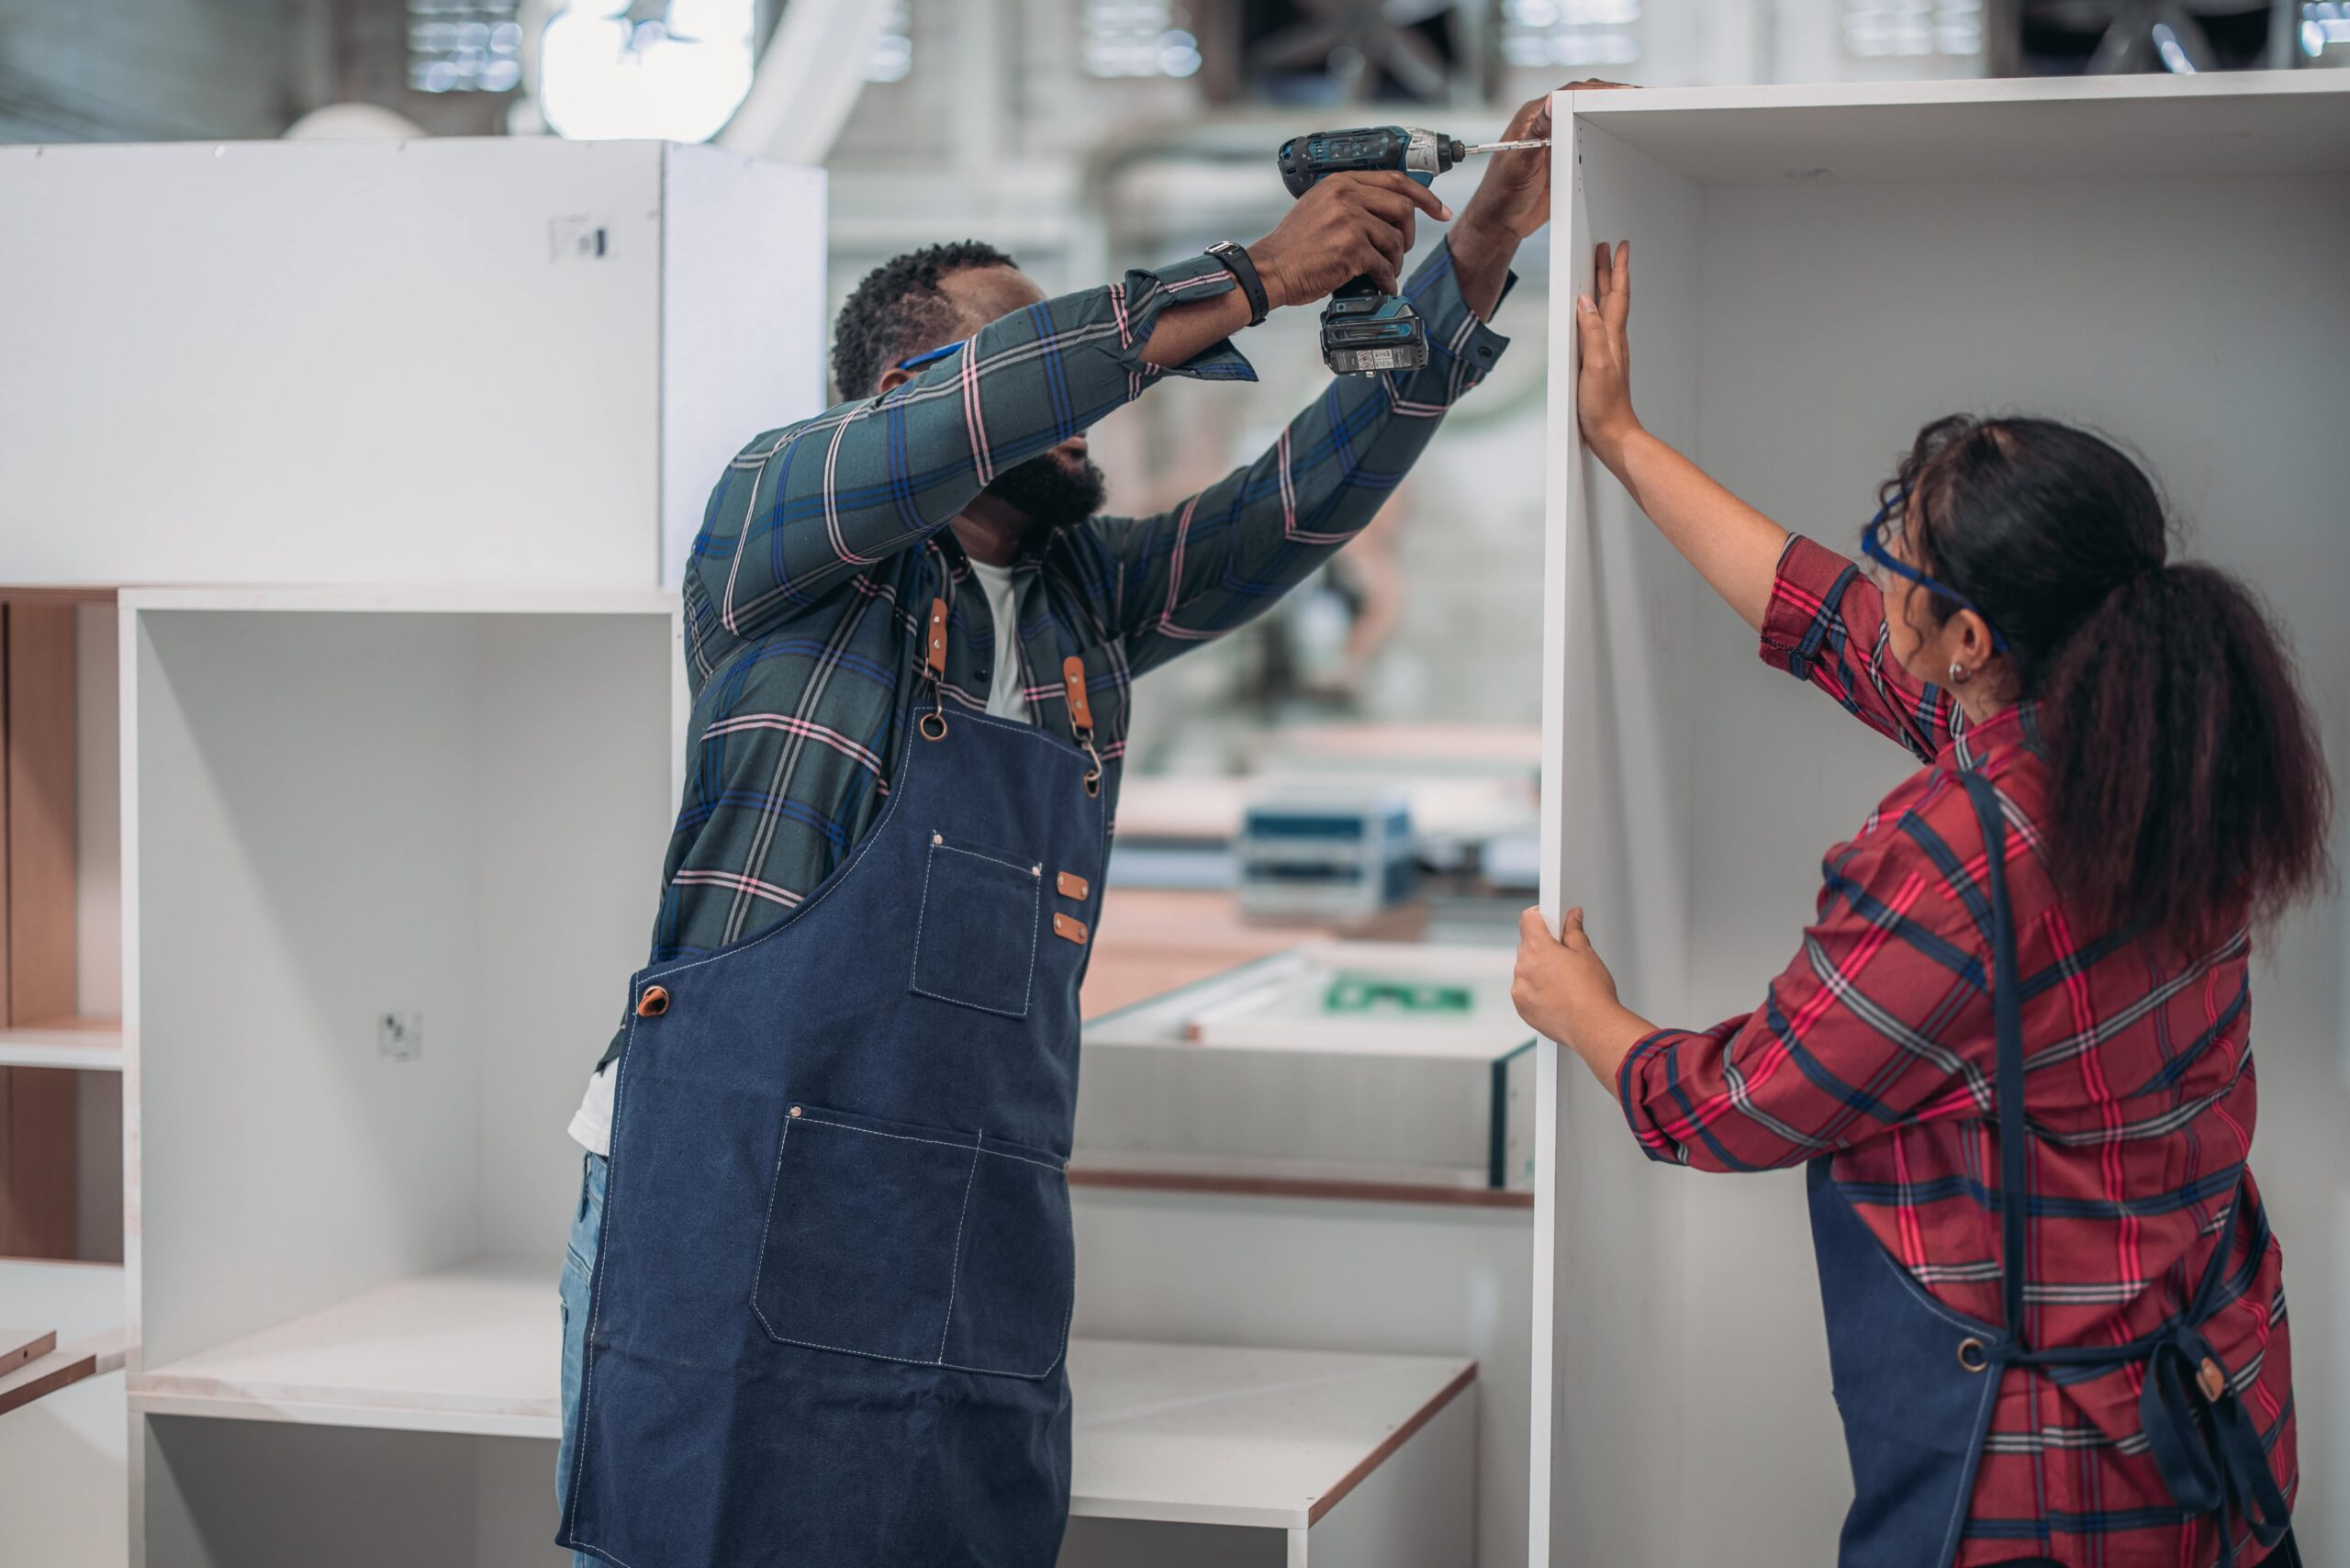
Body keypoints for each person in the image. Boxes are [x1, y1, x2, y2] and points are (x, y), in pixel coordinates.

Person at [554, 92, 1564, 1568]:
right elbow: (992, 400)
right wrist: (1254, 277)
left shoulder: (1087, 598)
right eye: (1045, 355)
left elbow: (1301, 496)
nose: (1090, 394)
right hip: (727, 1191)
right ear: (914, 383)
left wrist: (1471, 255)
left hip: (964, 1213)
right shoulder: (787, 532)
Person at [1512, 241, 2329, 1567]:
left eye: (1901, 554)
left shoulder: (1955, 855)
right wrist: (1620, 439)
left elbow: (1731, 1107)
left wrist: (1587, 1014)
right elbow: (1828, 620)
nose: (1877, 562)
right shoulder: (2170, 741)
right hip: (2213, 1419)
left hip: (2047, 1485)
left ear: (1969, 644)